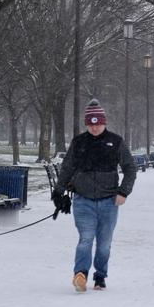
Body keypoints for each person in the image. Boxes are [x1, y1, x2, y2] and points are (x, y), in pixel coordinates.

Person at [54, 99, 137, 293]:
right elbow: (67, 168)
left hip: (109, 202)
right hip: (83, 201)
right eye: (90, 124)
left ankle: (100, 276)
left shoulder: (116, 142)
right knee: (85, 239)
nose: (94, 128)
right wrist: (58, 191)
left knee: (104, 244)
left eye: (98, 123)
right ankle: (80, 274)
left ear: (104, 122)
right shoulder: (79, 142)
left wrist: (123, 191)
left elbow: (130, 168)